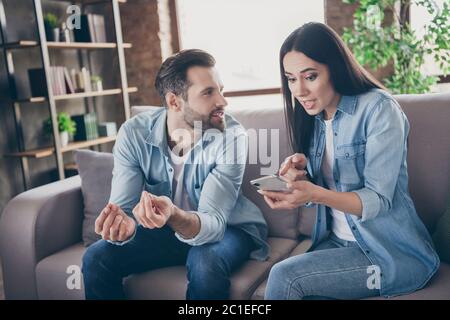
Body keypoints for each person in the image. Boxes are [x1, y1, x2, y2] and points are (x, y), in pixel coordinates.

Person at [258, 22, 439, 300]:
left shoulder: (379, 109)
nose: (300, 90)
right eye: (291, 79)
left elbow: (378, 199)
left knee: (285, 276)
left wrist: (315, 194)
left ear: (335, 68)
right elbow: (325, 190)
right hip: (335, 244)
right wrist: (300, 180)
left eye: (310, 76)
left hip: (387, 255)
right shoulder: (314, 118)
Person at [82, 49, 269, 300]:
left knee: (206, 263)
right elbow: (124, 208)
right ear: (174, 101)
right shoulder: (134, 134)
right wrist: (124, 227)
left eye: (221, 90)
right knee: (96, 257)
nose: (223, 101)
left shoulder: (231, 137)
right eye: (208, 92)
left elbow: (213, 223)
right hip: (163, 234)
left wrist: (173, 214)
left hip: (226, 229)